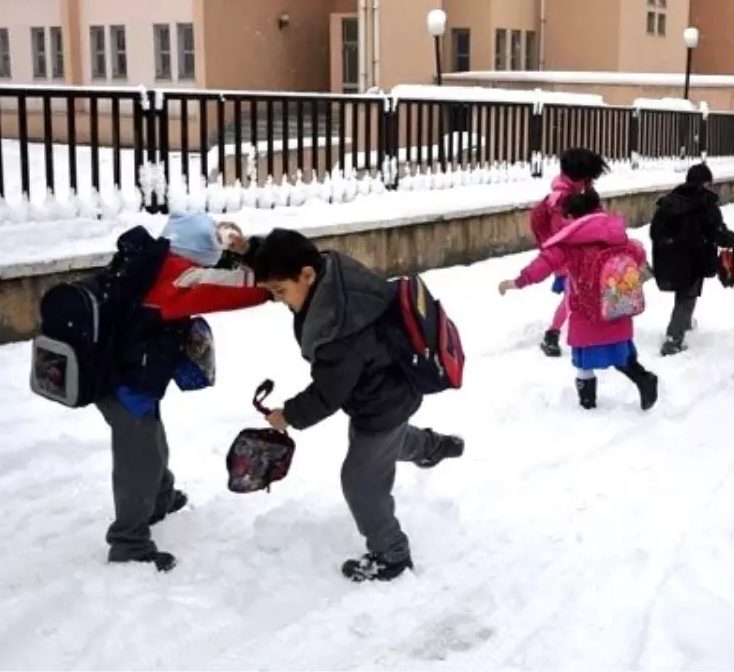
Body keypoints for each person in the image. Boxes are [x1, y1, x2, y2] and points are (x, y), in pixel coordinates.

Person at [246, 229, 465, 583]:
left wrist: (287, 415)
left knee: (360, 481)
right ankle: (433, 446)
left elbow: (327, 394)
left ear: (306, 275)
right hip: (389, 388)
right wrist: (250, 250)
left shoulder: (340, 330)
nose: (278, 300)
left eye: (281, 291)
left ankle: (390, 553)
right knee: (383, 446)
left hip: (381, 404)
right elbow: (287, 251)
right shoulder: (334, 273)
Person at [99, 211, 271, 571]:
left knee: (150, 442)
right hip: (124, 383)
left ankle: (160, 499)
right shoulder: (178, 279)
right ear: (198, 255)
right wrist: (274, 281)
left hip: (127, 374)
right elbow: (242, 290)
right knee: (138, 459)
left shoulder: (152, 261)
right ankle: (128, 542)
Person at [500, 186, 658, 411]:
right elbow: (638, 255)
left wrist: (518, 281)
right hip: (616, 304)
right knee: (620, 353)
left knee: (584, 361)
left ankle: (587, 405)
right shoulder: (616, 235)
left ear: (572, 217)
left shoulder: (570, 243)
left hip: (587, 311)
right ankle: (644, 379)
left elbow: (544, 264)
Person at [649, 163, 734, 356]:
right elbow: (716, 232)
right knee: (686, 298)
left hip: (670, 259)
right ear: (706, 183)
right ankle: (673, 340)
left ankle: (684, 327)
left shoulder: (670, 202)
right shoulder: (705, 203)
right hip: (694, 259)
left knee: (685, 296)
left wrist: (670, 245)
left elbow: (655, 232)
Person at [531, 148, 611, 358]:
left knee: (575, 295)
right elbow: (567, 233)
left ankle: (561, 333)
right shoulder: (560, 200)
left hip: (576, 256)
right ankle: (552, 335)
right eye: (588, 178)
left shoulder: (576, 192)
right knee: (572, 295)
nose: (591, 183)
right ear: (579, 176)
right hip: (568, 257)